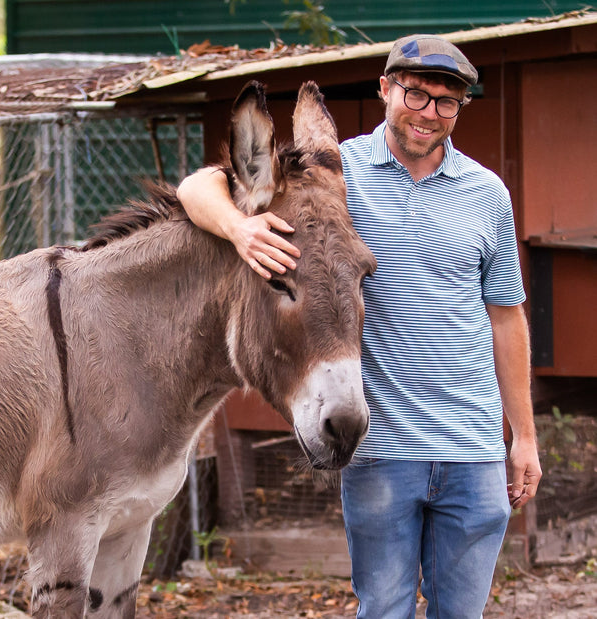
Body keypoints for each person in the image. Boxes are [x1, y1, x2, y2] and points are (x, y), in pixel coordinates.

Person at [177, 34, 543, 618]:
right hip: (382, 449)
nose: (429, 113)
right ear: (385, 90)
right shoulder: (333, 175)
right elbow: (199, 186)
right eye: (415, 94)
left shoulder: (487, 193)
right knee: (384, 611)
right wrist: (238, 229)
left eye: (447, 102)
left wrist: (522, 436)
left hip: (473, 450)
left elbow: (506, 316)